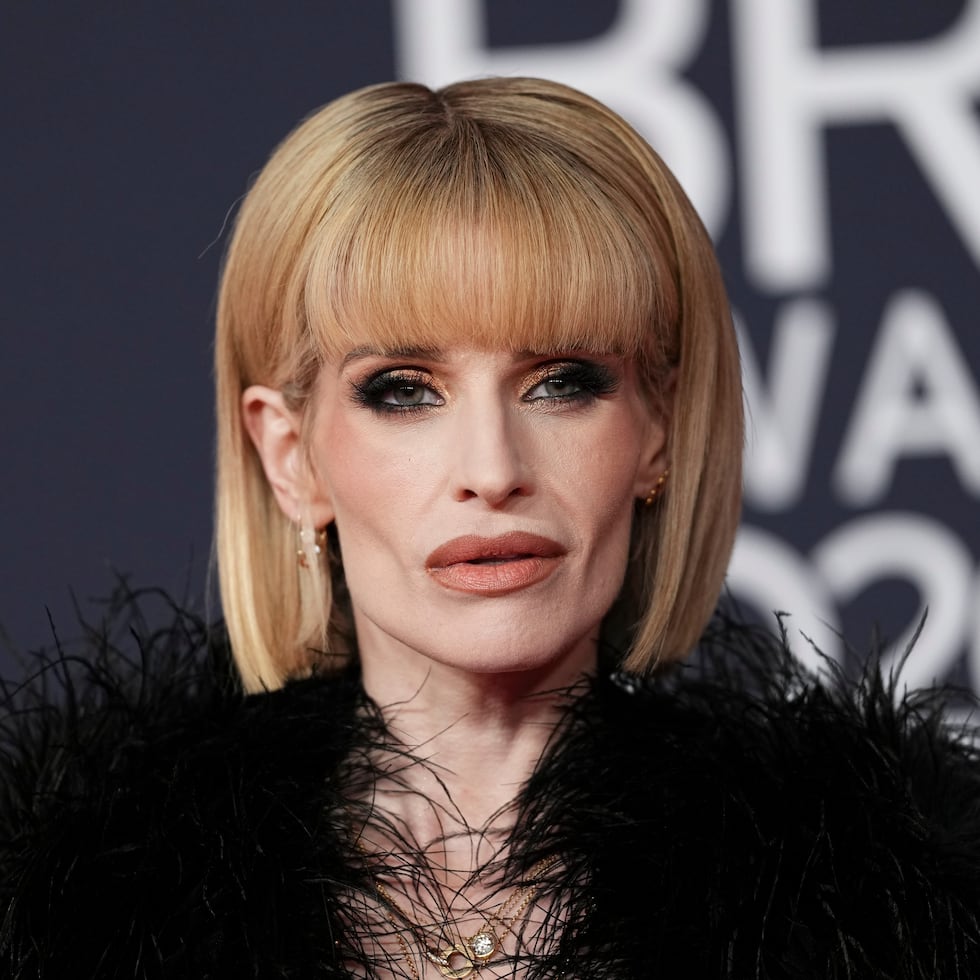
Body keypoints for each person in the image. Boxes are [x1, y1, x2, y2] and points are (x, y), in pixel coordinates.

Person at [2, 77, 979, 978]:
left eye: (562, 382)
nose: (491, 469)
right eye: (402, 391)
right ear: (291, 456)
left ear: (657, 432)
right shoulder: (73, 899)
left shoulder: (883, 898)